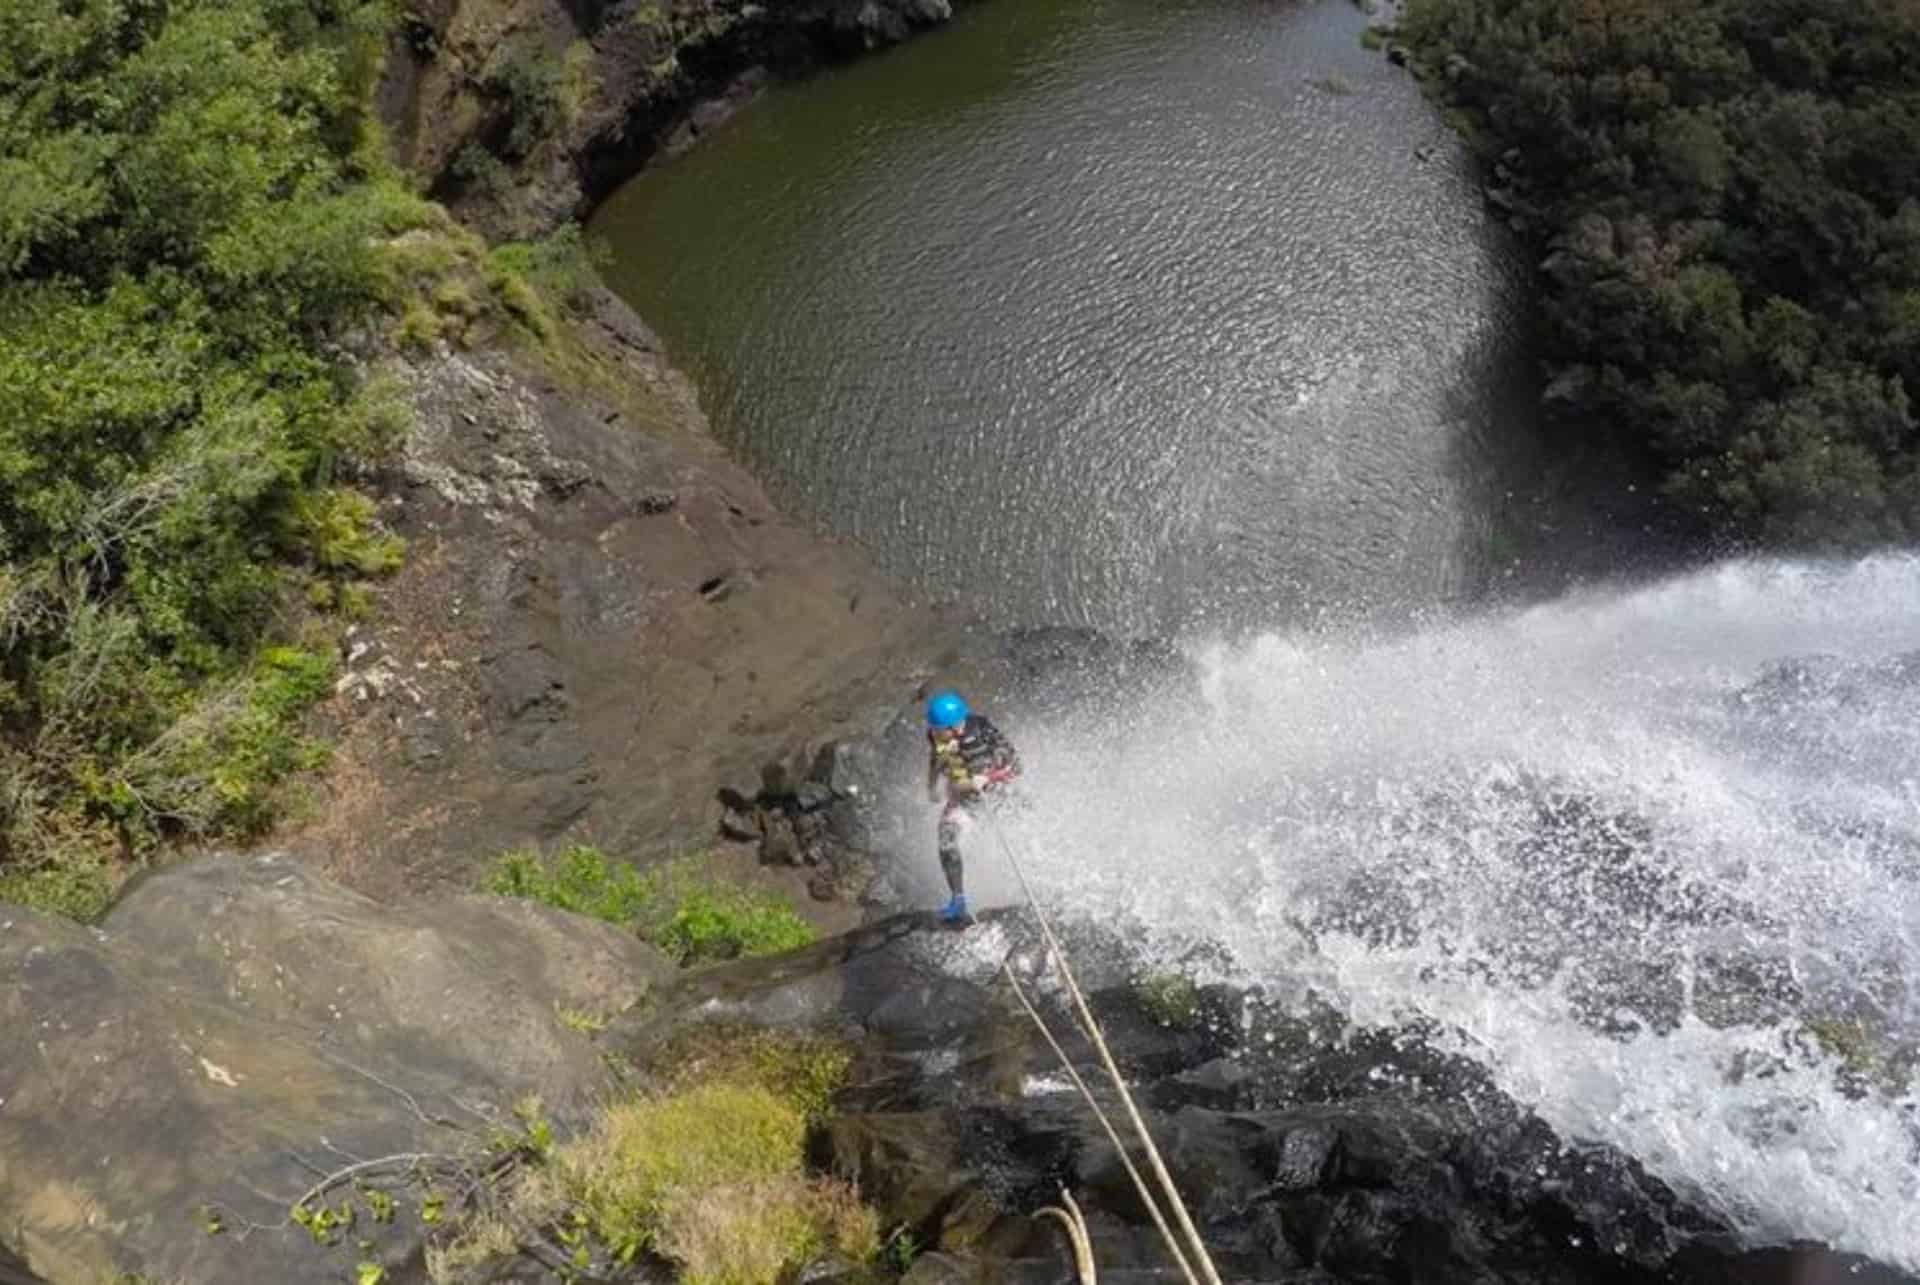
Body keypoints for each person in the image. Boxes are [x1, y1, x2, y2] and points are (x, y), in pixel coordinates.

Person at [924, 688, 1021, 923]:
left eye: (939, 729)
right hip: (965, 802)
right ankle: (958, 901)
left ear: (954, 725)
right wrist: (932, 786)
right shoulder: (938, 737)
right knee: (947, 838)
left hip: (997, 797)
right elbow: (936, 759)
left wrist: (989, 776)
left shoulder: (981, 728)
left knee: (1018, 840)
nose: (935, 732)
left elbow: (1015, 764)